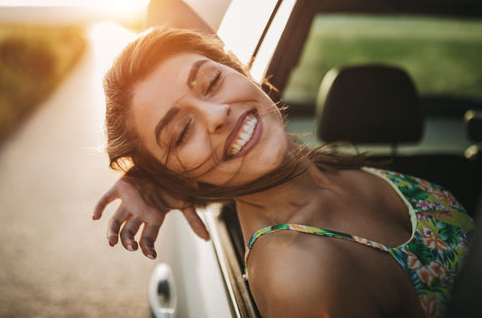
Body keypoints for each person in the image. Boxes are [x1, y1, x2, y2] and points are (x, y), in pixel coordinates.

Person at [93, 27, 474, 318]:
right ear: (177, 177)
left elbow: (170, 9)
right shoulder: (299, 273)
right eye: (181, 133)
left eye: (211, 81)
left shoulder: (322, 167)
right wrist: (156, 181)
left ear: (240, 71)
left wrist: (153, 178)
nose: (217, 115)